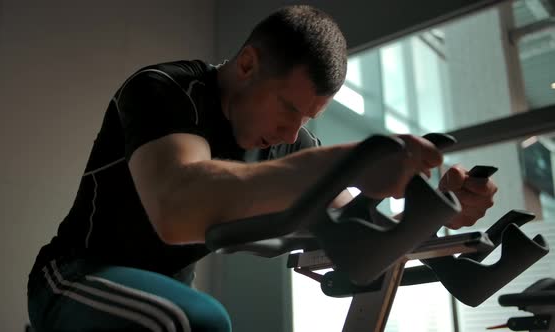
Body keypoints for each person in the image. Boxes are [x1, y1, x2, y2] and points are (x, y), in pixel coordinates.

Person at [27, 5, 498, 332]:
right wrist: (342, 163)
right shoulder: (169, 91)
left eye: (307, 120)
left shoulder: (291, 144)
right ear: (248, 64)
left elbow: (358, 232)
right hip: (76, 274)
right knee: (187, 322)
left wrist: (439, 215)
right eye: (288, 108)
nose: (292, 133)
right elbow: (177, 209)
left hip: (167, 289)